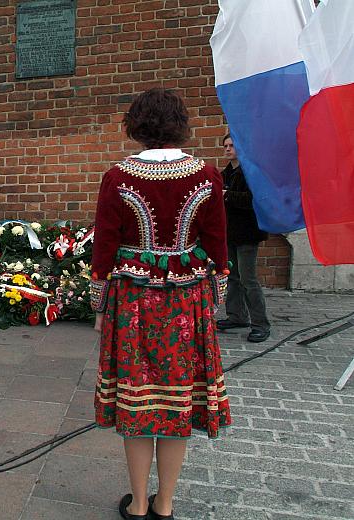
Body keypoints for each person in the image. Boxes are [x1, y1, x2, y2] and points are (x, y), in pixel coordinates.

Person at [89, 88, 231, 520]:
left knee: (138, 401)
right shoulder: (207, 175)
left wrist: (98, 307)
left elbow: (105, 249)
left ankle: (136, 502)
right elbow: (218, 248)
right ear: (180, 124)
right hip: (187, 304)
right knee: (177, 402)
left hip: (133, 303)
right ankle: (165, 505)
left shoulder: (118, 176)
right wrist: (216, 299)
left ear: (137, 125)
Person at [216, 134, 271, 343]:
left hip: (247, 233)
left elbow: (254, 200)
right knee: (233, 276)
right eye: (226, 146)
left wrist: (227, 195)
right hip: (230, 233)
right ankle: (237, 316)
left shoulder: (250, 173)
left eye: (231, 146)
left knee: (249, 280)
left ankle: (261, 324)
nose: (228, 149)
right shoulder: (226, 173)